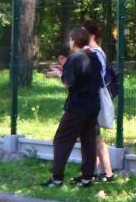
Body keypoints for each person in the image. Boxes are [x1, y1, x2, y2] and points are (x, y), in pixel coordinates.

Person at [42, 27, 102, 188]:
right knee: (88, 140)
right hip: (93, 104)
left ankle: (57, 178)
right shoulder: (93, 56)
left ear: (74, 41)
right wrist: (64, 69)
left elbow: (68, 82)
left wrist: (58, 74)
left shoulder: (75, 57)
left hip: (77, 106)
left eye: (70, 39)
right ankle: (87, 178)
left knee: (62, 139)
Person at [82, 20, 116, 183]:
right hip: (89, 98)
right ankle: (94, 172)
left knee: (95, 137)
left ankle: (108, 173)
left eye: (83, 32)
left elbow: (94, 77)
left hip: (92, 98)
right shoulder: (93, 52)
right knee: (92, 136)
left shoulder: (95, 53)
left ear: (91, 35)